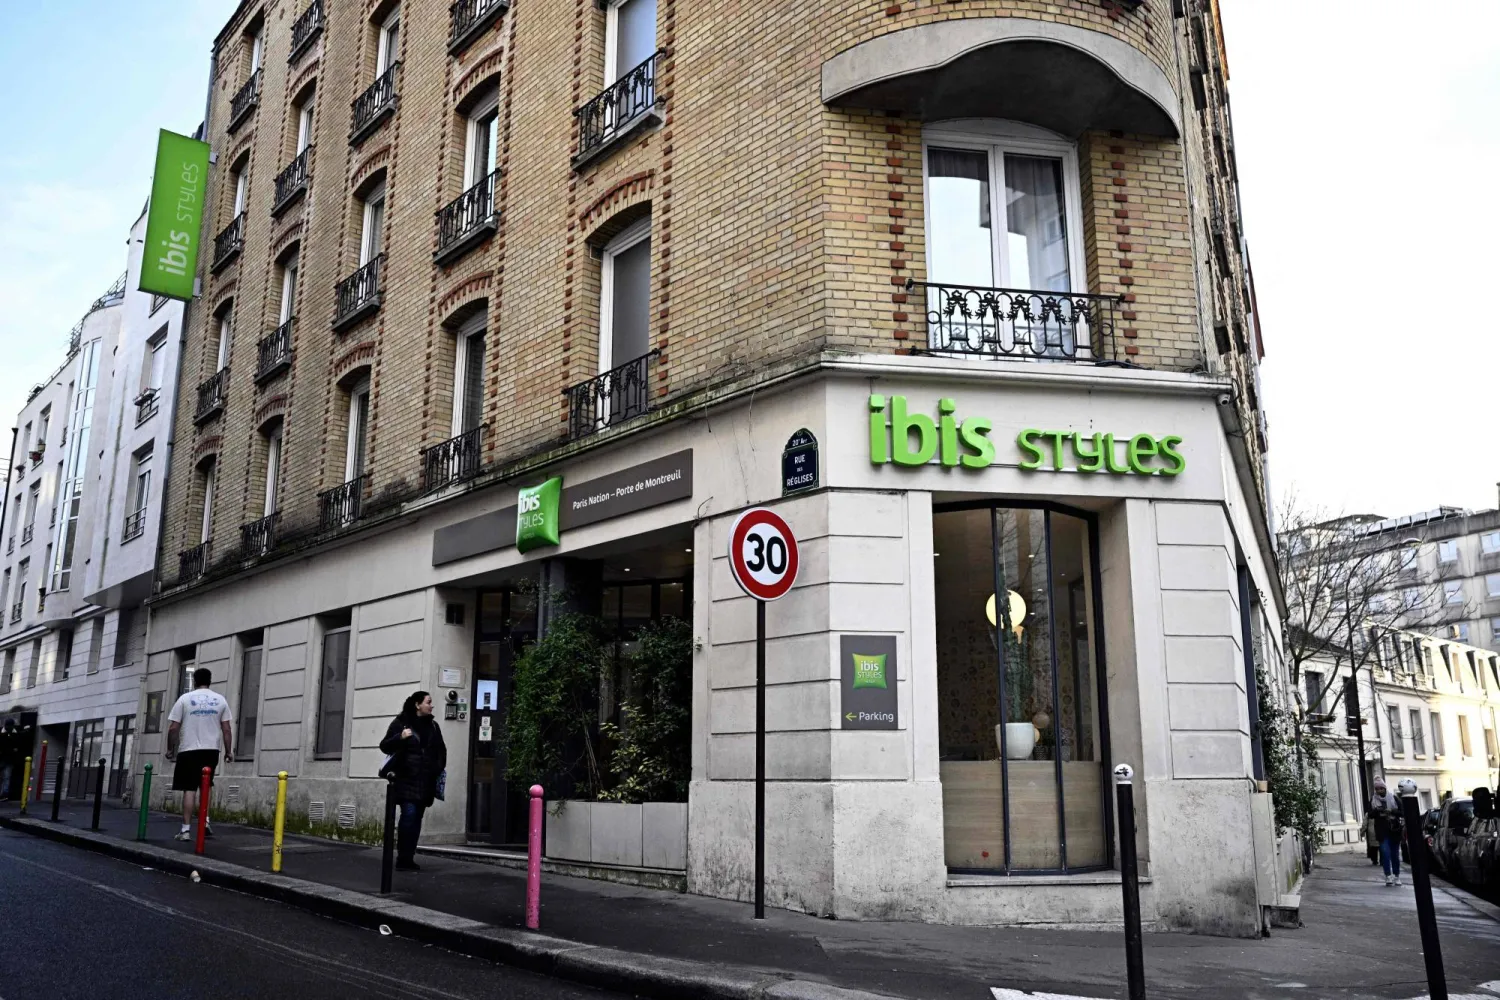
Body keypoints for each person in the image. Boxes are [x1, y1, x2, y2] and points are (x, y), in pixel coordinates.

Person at [379, 690, 446, 872]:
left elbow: (441, 750)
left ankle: (409, 857)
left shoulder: (433, 726)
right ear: (417, 704)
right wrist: (400, 737)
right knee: (409, 815)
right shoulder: (401, 723)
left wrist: (437, 768)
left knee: (416, 819)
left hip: (426, 781)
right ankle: (403, 858)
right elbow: (384, 746)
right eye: (428, 702)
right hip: (406, 779)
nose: (431, 705)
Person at [166, 668, 233, 842]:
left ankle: (185, 830)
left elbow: (173, 728)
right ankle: (205, 822)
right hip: (211, 750)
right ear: (210, 681)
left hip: (188, 750)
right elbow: (226, 729)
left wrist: (170, 749)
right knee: (206, 785)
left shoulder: (184, 699)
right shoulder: (220, 700)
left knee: (189, 789)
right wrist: (228, 751)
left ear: (194, 681)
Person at [1369, 776, 1404, 886]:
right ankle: (1388, 875)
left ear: (1385, 788)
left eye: (1381, 788)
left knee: (1395, 854)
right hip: (1382, 831)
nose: (1379, 791)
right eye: (1377, 789)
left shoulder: (1393, 798)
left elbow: (1402, 812)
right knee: (1385, 853)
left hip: (1394, 830)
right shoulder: (1373, 800)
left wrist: (1392, 811)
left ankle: (1396, 875)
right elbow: (1369, 814)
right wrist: (1377, 810)